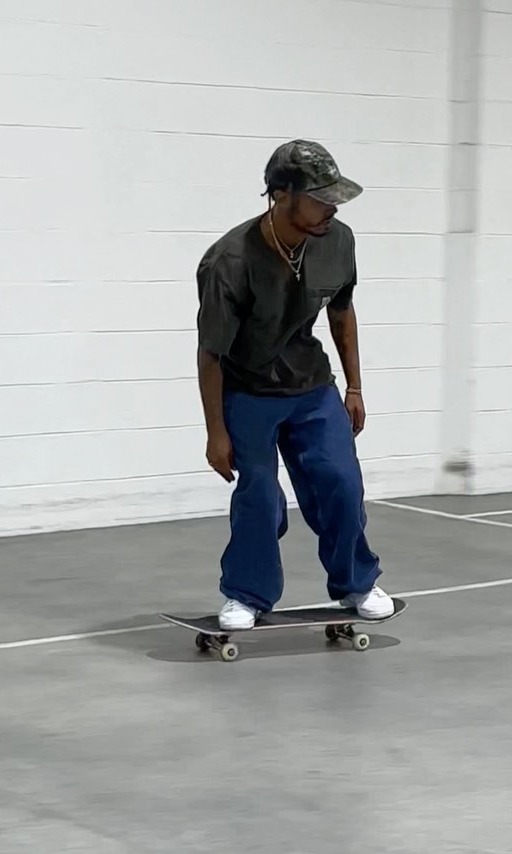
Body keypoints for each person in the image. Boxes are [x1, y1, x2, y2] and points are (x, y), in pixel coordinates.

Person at [196, 139, 394, 630]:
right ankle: (246, 594)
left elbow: (342, 312)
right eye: (320, 198)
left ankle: (356, 581)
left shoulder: (338, 241)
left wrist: (354, 388)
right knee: (260, 494)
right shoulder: (229, 262)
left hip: (311, 386)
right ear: (280, 195)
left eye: (335, 198)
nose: (332, 208)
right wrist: (216, 432)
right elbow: (211, 353)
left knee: (341, 481)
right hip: (248, 390)